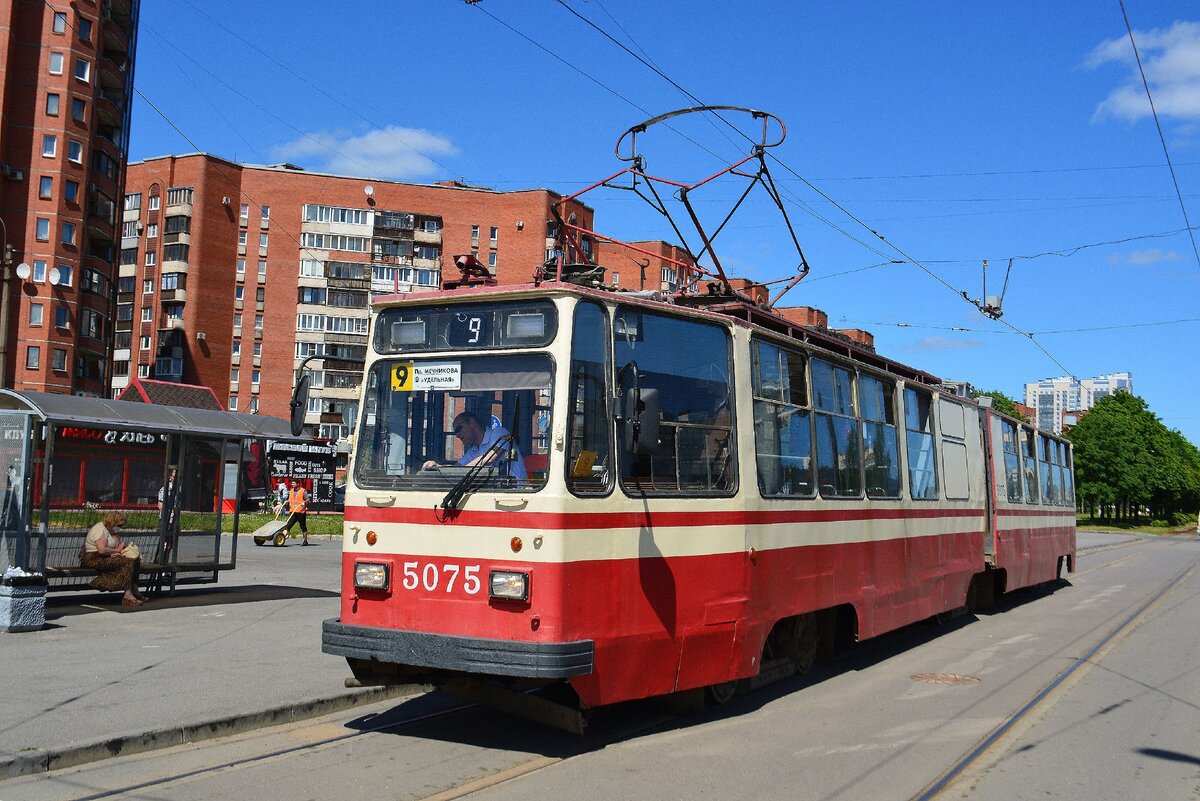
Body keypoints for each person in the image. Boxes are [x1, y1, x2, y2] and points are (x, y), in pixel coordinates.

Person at [423, 412, 526, 480]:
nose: (457, 435)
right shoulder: (472, 452)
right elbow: (457, 468)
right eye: (455, 433)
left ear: (472, 422)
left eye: (459, 429)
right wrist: (438, 467)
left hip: (517, 494)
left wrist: (464, 470)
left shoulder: (499, 433)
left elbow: (489, 458)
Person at [80, 512, 147, 606]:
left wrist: (117, 550)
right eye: (119, 525)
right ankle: (128, 595)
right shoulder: (100, 530)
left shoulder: (109, 530)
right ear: (113, 522)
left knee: (135, 560)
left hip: (105, 556)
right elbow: (102, 550)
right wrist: (117, 550)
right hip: (93, 558)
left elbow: (116, 542)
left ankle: (134, 589)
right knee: (127, 562)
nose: (121, 527)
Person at [283, 479, 310, 545]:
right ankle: (281, 538)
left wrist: (304, 502)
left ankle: (305, 540)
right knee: (288, 525)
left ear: (298, 484)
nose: (292, 485)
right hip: (293, 512)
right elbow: (290, 499)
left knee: (303, 526)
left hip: (301, 512)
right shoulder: (291, 491)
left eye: (294, 483)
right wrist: (287, 502)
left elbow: (308, 500)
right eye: (292, 483)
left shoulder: (303, 491)